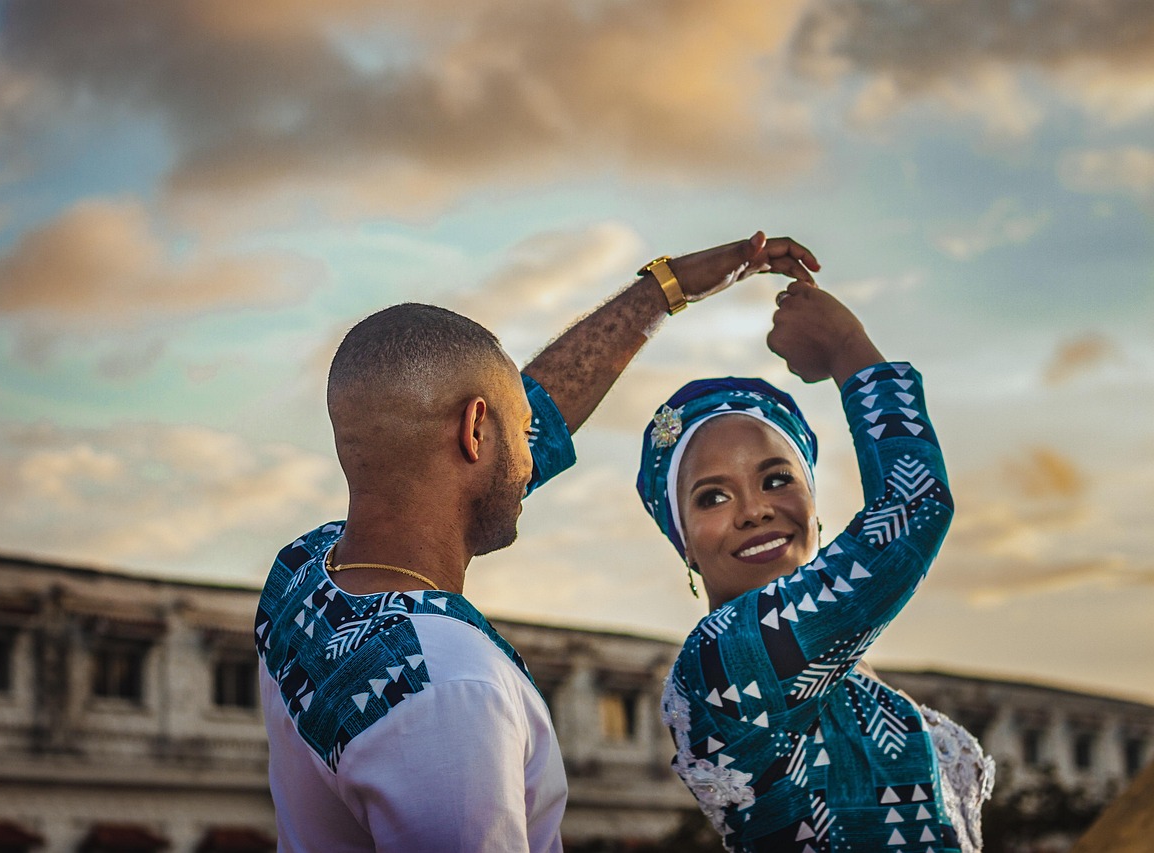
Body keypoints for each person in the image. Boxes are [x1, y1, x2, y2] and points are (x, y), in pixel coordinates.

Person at [255, 232, 822, 852]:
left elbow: (531, 418)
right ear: (476, 431)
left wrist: (664, 291)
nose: (534, 453)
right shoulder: (451, 688)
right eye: (522, 432)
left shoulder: (302, 575)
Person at [635, 281, 995, 852]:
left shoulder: (840, 667)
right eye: (713, 496)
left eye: (777, 480)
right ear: (685, 544)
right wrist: (847, 346)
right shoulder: (727, 660)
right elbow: (913, 506)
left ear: (813, 506)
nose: (755, 510)